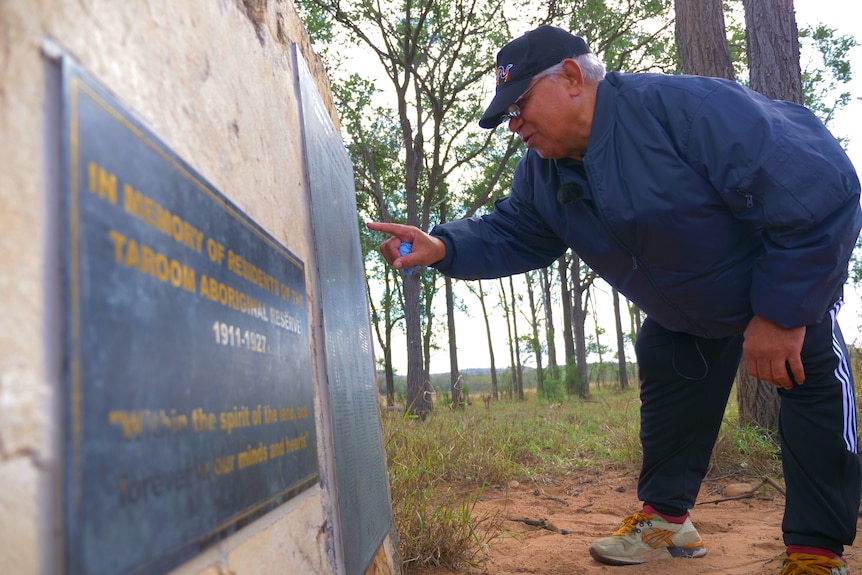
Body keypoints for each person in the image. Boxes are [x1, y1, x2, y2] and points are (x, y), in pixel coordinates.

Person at [367, 25, 862, 574]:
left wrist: (782, 312)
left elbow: (820, 184)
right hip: (685, 311)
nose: (515, 124)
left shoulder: (687, 109)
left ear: (573, 78)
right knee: (667, 366)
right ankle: (668, 522)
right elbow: (519, 231)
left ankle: (816, 552)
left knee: (811, 382)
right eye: (507, 115)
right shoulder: (542, 171)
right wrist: (445, 246)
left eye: (522, 104)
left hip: (776, 288)